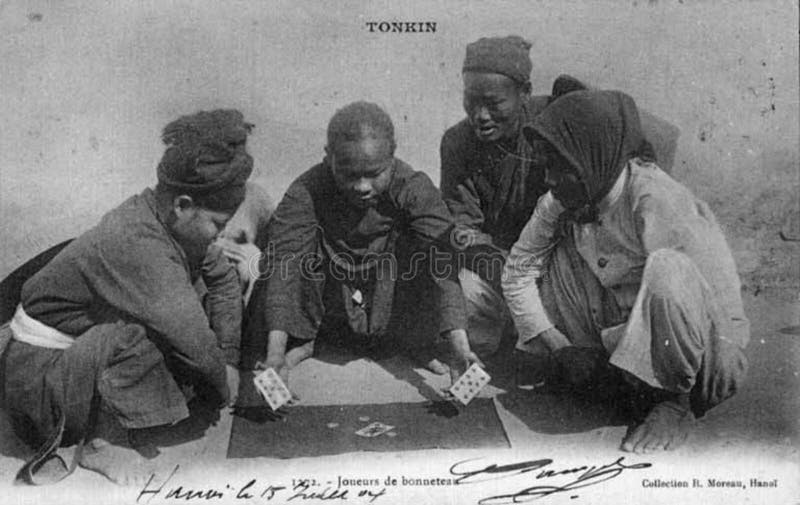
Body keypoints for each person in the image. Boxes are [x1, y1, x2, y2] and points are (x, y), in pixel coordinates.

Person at [0, 109, 256, 485]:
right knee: (150, 333)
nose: (220, 234)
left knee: (187, 313)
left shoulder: (171, 221)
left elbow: (223, 281)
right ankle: (100, 441)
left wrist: (230, 358)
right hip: (38, 381)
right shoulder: (137, 241)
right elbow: (194, 341)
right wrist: (224, 387)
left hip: (77, 356)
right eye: (217, 224)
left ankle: (117, 409)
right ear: (182, 205)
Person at [502, 90, 749, 453]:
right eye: (546, 167)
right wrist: (559, 347)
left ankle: (672, 403)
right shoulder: (561, 200)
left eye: (559, 166)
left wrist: (715, 366)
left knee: (669, 267)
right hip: (617, 336)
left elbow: (716, 293)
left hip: (694, 352)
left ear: (593, 156)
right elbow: (517, 271)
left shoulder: (654, 197)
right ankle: (607, 375)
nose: (550, 179)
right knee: (547, 258)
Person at [440, 35, 679, 360]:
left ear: (525, 92)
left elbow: (627, 153)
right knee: (463, 296)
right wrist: (506, 269)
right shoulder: (457, 143)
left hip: (561, 260)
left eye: (494, 103)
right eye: (471, 101)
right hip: (501, 263)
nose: (480, 115)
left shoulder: (557, 125)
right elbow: (462, 225)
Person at [248, 101, 480, 392]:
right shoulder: (306, 190)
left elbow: (442, 263)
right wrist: (275, 354)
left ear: (392, 156)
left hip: (393, 297)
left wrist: (459, 346)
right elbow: (284, 265)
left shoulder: (413, 188)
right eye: (349, 174)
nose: (362, 187)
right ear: (329, 157)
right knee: (282, 260)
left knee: (434, 250)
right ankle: (307, 341)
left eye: (374, 173)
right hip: (333, 297)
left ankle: (415, 342)